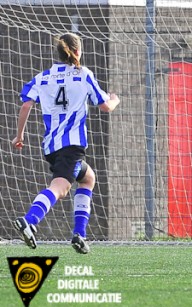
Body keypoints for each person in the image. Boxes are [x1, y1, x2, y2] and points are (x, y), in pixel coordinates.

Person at [11, 32, 121, 254]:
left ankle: (79, 235)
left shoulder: (42, 77)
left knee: (88, 177)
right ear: (78, 51)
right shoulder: (83, 75)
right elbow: (105, 106)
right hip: (72, 146)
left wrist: (19, 135)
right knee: (60, 187)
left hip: (52, 147)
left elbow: (25, 105)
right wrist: (115, 99)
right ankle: (29, 220)